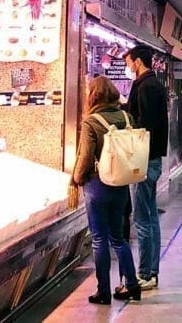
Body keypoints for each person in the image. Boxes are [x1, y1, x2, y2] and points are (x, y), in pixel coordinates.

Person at [71, 76, 141, 304]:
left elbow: (85, 157)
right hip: (121, 183)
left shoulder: (91, 122)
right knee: (118, 238)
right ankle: (132, 285)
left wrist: (76, 179)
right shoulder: (126, 116)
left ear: (93, 96)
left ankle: (103, 291)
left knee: (99, 240)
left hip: (98, 185)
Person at [122, 45, 168, 291]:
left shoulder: (146, 86)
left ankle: (147, 274)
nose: (128, 66)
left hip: (143, 160)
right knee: (149, 217)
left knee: (142, 218)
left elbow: (144, 125)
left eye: (129, 62)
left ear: (138, 61)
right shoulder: (154, 85)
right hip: (150, 158)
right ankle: (151, 271)